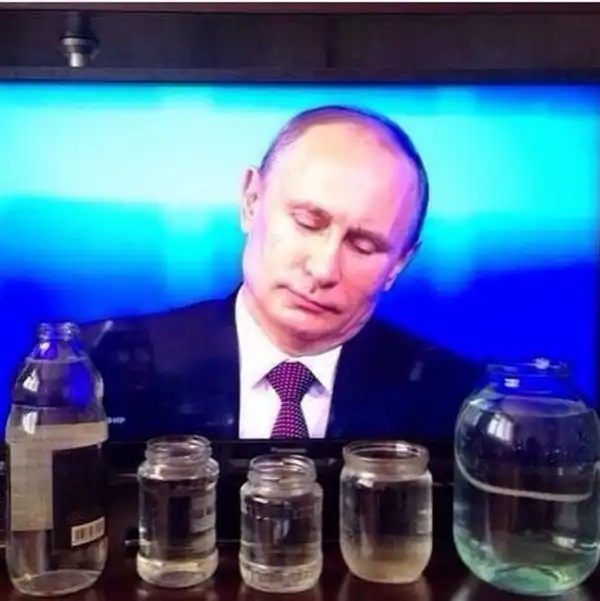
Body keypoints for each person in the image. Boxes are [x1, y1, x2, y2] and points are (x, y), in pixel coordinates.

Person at [81, 105, 482, 441]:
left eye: (363, 246)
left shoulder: (458, 404)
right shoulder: (98, 369)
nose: (323, 269)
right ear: (251, 201)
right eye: (307, 223)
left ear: (398, 264)